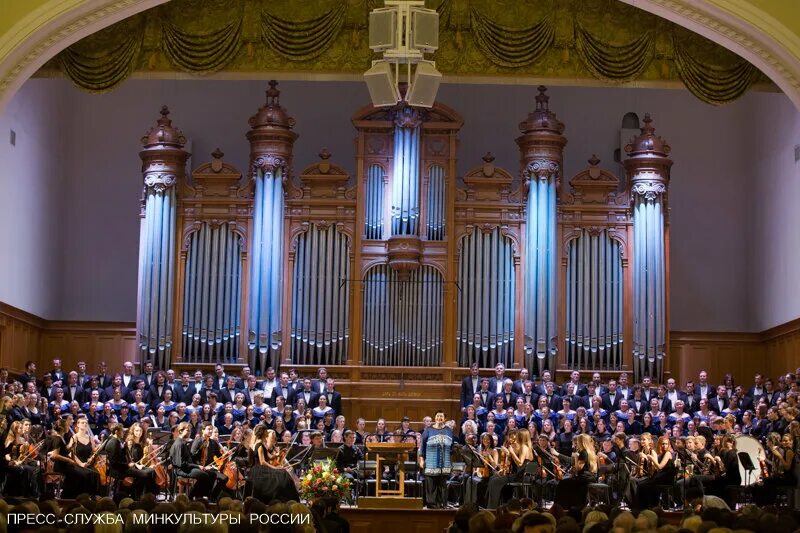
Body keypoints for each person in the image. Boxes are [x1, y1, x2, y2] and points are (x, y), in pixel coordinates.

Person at [250, 424, 299, 503]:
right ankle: (287, 498)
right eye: (266, 431)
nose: (267, 432)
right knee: (283, 474)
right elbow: (262, 462)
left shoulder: (261, 445)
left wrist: (280, 453)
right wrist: (275, 468)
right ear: (262, 432)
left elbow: (270, 457)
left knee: (284, 473)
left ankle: (286, 498)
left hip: (262, 468)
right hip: (259, 470)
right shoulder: (259, 445)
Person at [170, 421, 214, 499]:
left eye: (190, 430)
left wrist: (201, 449)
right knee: (203, 475)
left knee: (212, 474)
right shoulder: (179, 444)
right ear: (180, 431)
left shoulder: (183, 442)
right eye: (187, 430)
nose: (190, 432)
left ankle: (201, 496)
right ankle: (191, 497)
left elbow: (189, 458)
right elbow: (181, 464)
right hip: (181, 470)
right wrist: (198, 466)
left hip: (187, 467)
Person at [553, 433, 598, 508]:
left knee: (562, 483)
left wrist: (575, 457)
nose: (576, 443)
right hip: (590, 476)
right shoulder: (590, 451)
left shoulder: (583, 452)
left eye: (577, 441)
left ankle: (560, 506)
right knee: (567, 481)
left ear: (581, 442)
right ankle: (572, 504)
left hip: (584, 477)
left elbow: (578, 468)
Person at [420, 410, 454, 509]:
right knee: (431, 486)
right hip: (431, 462)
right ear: (435, 418)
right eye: (437, 416)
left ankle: (442, 505)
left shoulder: (449, 431)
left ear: (445, 419)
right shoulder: (428, 430)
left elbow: (451, 448)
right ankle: (432, 505)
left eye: (441, 416)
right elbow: (422, 447)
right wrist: (422, 460)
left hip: (445, 463)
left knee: (442, 486)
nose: (439, 418)